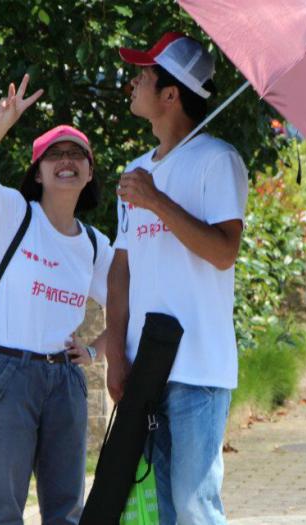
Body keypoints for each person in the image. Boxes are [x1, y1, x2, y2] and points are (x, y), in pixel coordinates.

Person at [106, 33, 248, 524]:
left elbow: (224, 252)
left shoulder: (218, 160)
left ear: (170, 94)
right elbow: (121, 269)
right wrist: (115, 352)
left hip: (198, 368)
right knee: (159, 509)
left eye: (142, 76)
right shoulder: (136, 171)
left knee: (193, 504)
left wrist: (156, 201)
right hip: (145, 364)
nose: (132, 82)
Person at [0, 74, 114, 525]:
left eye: (77, 154)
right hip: (7, 372)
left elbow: (131, 308)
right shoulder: (13, 212)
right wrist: (2, 123)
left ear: (89, 172)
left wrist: (95, 351)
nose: (67, 161)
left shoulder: (95, 245)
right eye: (55, 154)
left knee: (66, 512)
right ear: (39, 171)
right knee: (4, 510)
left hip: (64, 381)